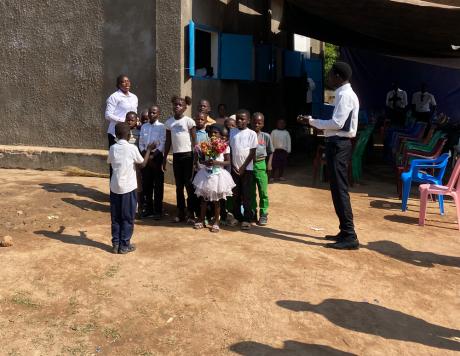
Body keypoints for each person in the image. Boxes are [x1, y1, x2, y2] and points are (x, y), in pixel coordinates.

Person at [298, 61, 360, 250]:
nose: (328, 77)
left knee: (340, 190)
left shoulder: (346, 95)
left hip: (339, 145)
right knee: (336, 189)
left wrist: (312, 122)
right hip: (337, 144)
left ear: (339, 77)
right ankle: (344, 231)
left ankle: (350, 235)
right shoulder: (343, 93)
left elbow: (337, 123)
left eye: (331, 74)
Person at [108, 122, 155, 254]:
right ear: (129, 135)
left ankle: (115, 244)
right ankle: (124, 245)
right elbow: (142, 164)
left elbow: (111, 162)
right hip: (128, 187)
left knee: (116, 217)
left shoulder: (113, 148)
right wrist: (149, 149)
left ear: (116, 135)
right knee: (128, 217)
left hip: (115, 187)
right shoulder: (132, 148)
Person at [192, 125, 235, 233]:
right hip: (206, 174)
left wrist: (216, 163)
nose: (213, 135)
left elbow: (228, 162)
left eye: (216, 133)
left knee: (216, 201)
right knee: (203, 199)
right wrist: (205, 162)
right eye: (211, 133)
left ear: (220, 135)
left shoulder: (225, 146)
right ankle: (201, 219)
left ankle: (216, 221)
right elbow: (201, 160)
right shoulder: (206, 145)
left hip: (218, 175)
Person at [163, 96, 197, 223]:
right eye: (175, 104)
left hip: (188, 155)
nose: (177, 106)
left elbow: (194, 141)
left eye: (180, 105)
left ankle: (191, 212)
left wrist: (196, 158)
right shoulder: (169, 123)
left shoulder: (189, 121)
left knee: (189, 184)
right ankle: (180, 211)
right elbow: (168, 142)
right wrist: (164, 157)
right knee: (179, 186)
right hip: (177, 156)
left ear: (185, 107)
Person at [230, 109, 258, 230]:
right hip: (235, 169)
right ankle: (237, 217)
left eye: (242, 119)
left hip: (247, 169)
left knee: (246, 195)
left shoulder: (252, 133)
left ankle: (247, 219)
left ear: (248, 120)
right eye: (238, 119)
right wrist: (233, 165)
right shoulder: (232, 131)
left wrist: (243, 167)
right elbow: (231, 150)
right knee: (236, 194)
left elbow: (252, 152)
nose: (240, 121)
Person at [139, 105, 166, 219]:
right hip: (145, 156)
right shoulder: (144, 127)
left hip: (157, 157)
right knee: (147, 184)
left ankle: (158, 211)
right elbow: (141, 142)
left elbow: (162, 142)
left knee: (158, 185)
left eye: (154, 113)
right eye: (150, 112)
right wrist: (146, 154)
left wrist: (153, 155)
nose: (151, 114)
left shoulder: (162, 127)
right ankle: (148, 209)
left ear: (159, 114)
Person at [250, 112, 273, 225]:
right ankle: (253, 212)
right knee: (251, 191)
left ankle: (264, 213)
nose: (256, 124)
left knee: (263, 191)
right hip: (249, 165)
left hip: (261, 164)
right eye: (255, 122)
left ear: (263, 124)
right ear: (250, 122)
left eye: (259, 123)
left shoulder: (266, 136)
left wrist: (269, 164)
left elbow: (271, 151)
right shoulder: (247, 134)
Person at [105, 74, 138, 148]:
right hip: (116, 133)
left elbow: (135, 113)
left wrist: (136, 121)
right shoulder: (114, 97)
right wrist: (124, 121)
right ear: (119, 85)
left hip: (130, 133)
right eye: (123, 82)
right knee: (116, 157)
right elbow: (108, 115)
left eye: (128, 81)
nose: (127, 83)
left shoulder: (134, 97)